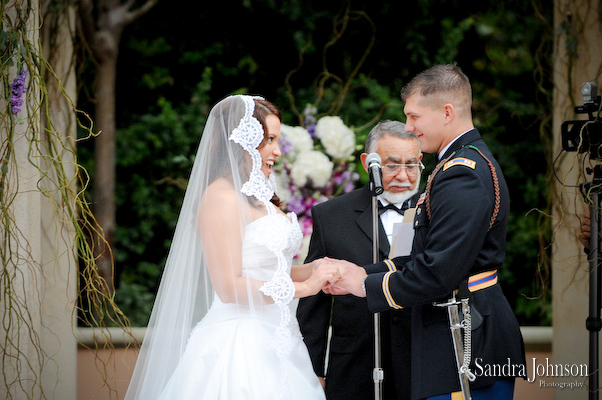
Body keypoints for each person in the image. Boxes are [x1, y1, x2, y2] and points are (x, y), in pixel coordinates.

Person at [325, 64, 526, 399]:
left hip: (467, 341)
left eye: (414, 117)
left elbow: (437, 271)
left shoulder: (462, 173)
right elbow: (412, 256)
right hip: (451, 336)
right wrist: (362, 272)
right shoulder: (450, 166)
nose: (409, 127)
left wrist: (363, 285)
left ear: (447, 112)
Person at [124, 95, 340, 400]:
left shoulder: (260, 197)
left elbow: (268, 269)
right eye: (270, 140)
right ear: (243, 141)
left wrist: (311, 270)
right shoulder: (220, 197)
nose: (277, 151)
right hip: (240, 343)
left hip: (279, 336)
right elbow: (229, 286)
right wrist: (307, 288)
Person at [296, 120, 423, 400]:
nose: (403, 175)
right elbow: (313, 306)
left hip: (420, 364)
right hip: (354, 367)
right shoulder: (331, 216)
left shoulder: (435, 211)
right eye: (391, 165)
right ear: (368, 163)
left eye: (411, 165)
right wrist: (312, 371)